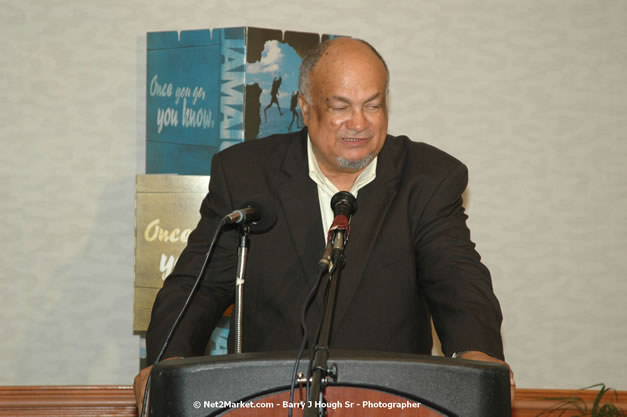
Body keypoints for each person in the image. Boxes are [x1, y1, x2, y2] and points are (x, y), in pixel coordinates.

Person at [134, 38, 515, 412]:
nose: (359, 123)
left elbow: (458, 279)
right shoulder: (246, 175)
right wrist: (165, 363)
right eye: (340, 106)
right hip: (269, 402)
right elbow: (196, 288)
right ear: (304, 106)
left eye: (373, 105)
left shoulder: (427, 178)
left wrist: (477, 354)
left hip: (387, 402)